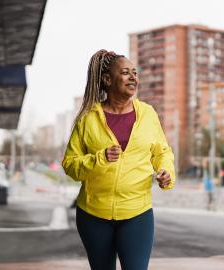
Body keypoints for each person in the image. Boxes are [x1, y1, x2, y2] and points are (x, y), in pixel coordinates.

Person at [62, 49, 175, 270]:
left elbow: (162, 152)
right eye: (125, 73)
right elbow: (70, 164)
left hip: (137, 212)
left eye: (135, 72)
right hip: (94, 215)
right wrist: (98, 159)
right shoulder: (88, 119)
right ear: (107, 80)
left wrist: (166, 172)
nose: (133, 77)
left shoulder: (147, 114)